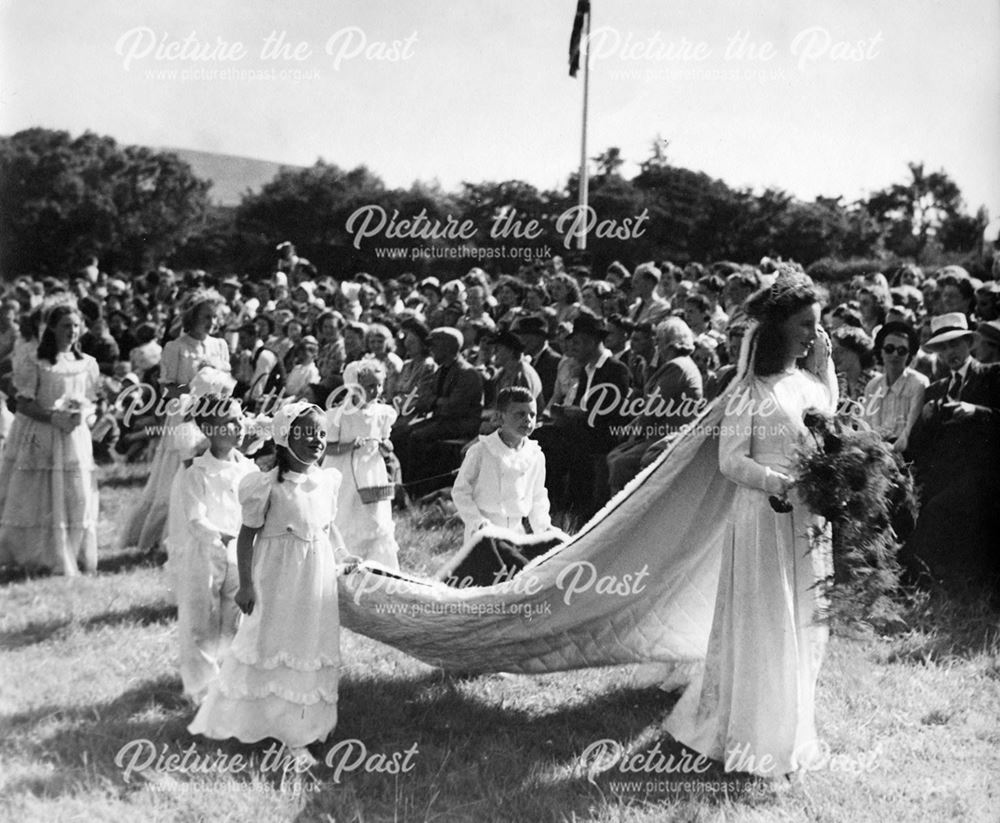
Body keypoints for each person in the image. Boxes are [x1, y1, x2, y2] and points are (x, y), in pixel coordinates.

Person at [665, 272, 838, 777]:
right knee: (767, 619)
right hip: (764, 516)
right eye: (806, 324)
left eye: (817, 325)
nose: (813, 333)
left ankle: (791, 723)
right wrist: (780, 483)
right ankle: (754, 730)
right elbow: (730, 461)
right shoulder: (748, 390)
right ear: (780, 327)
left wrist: (825, 367)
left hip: (808, 519)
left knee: (805, 616)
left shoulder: (808, 382)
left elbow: (828, 417)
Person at [189, 402, 347, 766]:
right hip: (277, 581)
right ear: (284, 437)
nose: (316, 441)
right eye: (306, 434)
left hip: (315, 580)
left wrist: (343, 555)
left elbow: (327, 526)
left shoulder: (326, 481)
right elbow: (247, 538)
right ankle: (264, 724)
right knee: (270, 641)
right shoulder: (265, 486)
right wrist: (245, 585)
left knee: (308, 644)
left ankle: (302, 727)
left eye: (321, 434)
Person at [120, 290, 231, 554]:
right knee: (177, 473)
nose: (211, 322)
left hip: (213, 414)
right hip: (184, 414)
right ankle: (160, 537)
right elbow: (168, 388)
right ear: (191, 317)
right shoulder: (176, 347)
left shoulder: (220, 345)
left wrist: (217, 394)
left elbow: (227, 382)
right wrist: (197, 389)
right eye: (206, 317)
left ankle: (208, 530)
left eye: (215, 317)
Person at [0, 304, 101, 576]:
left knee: (76, 493)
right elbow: (23, 404)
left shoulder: (87, 363)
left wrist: (84, 415)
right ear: (52, 328)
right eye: (66, 325)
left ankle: (75, 551)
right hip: (43, 433)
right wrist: (54, 417)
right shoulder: (36, 361)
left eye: (76, 326)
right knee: (40, 493)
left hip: (74, 436)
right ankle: (40, 554)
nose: (72, 331)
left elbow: (91, 400)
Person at [904, 312, 1000, 590]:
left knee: (939, 509)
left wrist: (976, 412)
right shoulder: (936, 390)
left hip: (986, 474)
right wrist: (925, 419)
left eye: (955, 344)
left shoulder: (992, 375)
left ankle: (942, 581)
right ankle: (932, 582)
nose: (950, 352)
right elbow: (921, 445)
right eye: (943, 347)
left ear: (969, 343)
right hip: (945, 476)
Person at [170, 396, 255, 704]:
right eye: (229, 422)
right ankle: (200, 688)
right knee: (202, 619)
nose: (238, 427)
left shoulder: (249, 468)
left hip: (240, 556)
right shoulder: (197, 470)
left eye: (240, 419)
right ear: (208, 428)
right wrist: (229, 536)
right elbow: (196, 519)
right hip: (206, 554)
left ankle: (231, 681)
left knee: (235, 618)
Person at [606, 317, 704, 494]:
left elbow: (653, 409)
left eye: (659, 341)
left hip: (668, 436)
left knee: (619, 461)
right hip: (662, 433)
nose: (657, 346)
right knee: (616, 454)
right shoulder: (681, 365)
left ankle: (618, 513)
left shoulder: (677, 367)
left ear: (670, 343)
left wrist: (633, 435)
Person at [451, 386, 553, 544]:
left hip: (517, 534)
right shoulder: (481, 450)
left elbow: (537, 496)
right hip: (483, 532)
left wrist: (544, 527)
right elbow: (460, 491)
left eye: (532, 415)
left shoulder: (535, 455)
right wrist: (478, 522)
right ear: (500, 416)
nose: (527, 420)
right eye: (520, 414)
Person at [324, 362, 400, 569]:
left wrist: (385, 447)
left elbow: (387, 443)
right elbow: (327, 448)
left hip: (372, 472)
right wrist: (349, 445)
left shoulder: (383, 413)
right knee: (345, 515)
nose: (376, 391)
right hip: (344, 472)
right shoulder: (339, 415)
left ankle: (375, 564)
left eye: (379, 385)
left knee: (373, 518)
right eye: (369, 387)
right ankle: (342, 559)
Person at [861, 322, 928, 453]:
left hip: (905, 455)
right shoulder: (872, 385)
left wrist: (887, 453)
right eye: (889, 349)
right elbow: (865, 427)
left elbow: (910, 431)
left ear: (909, 355)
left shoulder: (918, 383)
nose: (895, 355)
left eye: (902, 351)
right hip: (873, 453)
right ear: (881, 351)